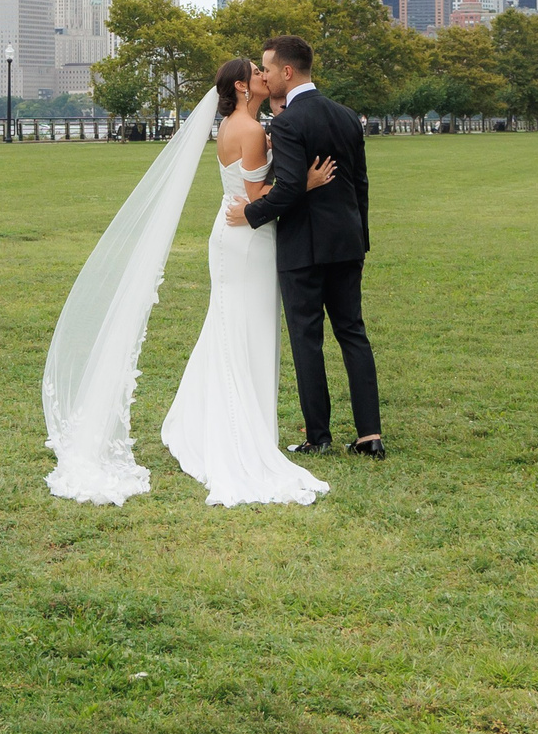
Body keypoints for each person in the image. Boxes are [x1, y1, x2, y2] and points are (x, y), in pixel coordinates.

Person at [159, 59, 339, 505]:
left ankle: (213, 421)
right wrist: (309, 183)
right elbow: (261, 198)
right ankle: (241, 431)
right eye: (257, 72)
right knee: (248, 332)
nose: (265, 75)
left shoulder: (235, 125)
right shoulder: (252, 130)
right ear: (241, 86)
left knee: (227, 328)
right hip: (249, 239)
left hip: (229, 235)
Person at [226, 35, 383, 459]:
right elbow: (361, 186)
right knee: (353, 334)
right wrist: (359, 236)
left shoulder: (289, 123)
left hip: (303, 248)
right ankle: (371, 435)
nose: (266, 75)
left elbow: (291, 188)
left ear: (288, 72)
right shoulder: (349, 117)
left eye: (269, 69)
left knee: (307, 340)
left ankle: (319, 436)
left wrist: (251, 214)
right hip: (348, 243)